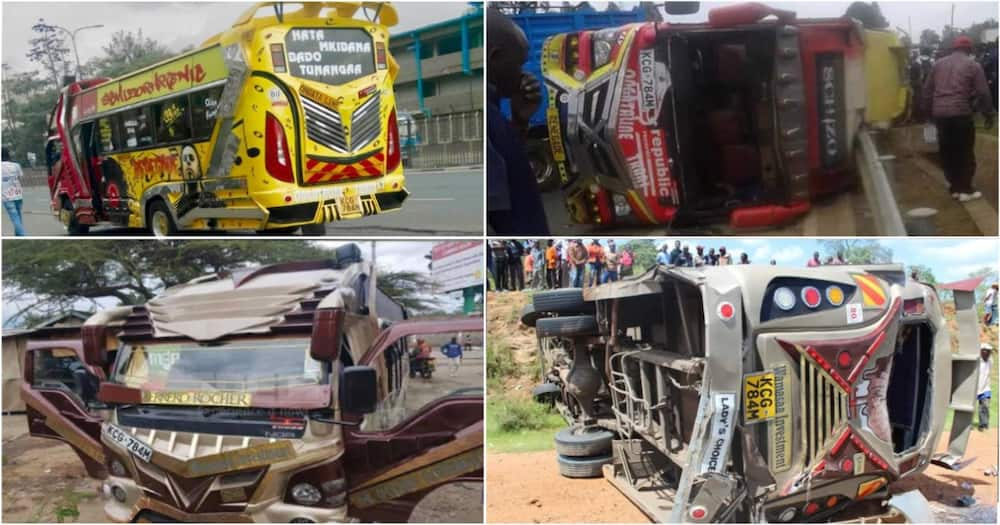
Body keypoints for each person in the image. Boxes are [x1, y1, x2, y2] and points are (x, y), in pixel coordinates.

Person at [486, 9, 550, 234]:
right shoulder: (487, 120)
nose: (521, 72)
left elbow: (510, 172)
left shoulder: (496, 116)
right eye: (518, 63)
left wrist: (520, 121)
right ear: (495, 59)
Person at [922, 35, 995, 202]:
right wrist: (988, 114)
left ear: (953, 48)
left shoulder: (937, 64)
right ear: (969, 49)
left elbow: (927, 91)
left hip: (940, 114)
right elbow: (983, 92)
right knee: (965, 151)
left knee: (947, 151)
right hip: (961, 113)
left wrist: (928, 113)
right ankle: (966, 190)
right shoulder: (973, 65)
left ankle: (954, 188)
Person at [2, 147, 27, 236]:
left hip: (7, 197)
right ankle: (18, 236)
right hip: (18, 194)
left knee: (15, 218)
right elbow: (21, 178)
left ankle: (23, 236)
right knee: (18, 217)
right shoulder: (16, 165)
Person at [977, 344, 993, 430]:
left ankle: (983, 424)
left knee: (985, 406)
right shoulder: (977, 361)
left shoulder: (990, 361)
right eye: (984, 350)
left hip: (985, 387)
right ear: (981, 351)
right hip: (975, 387)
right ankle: (966, 426)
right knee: (970, 409)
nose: (987, 353)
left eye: (988, 351)